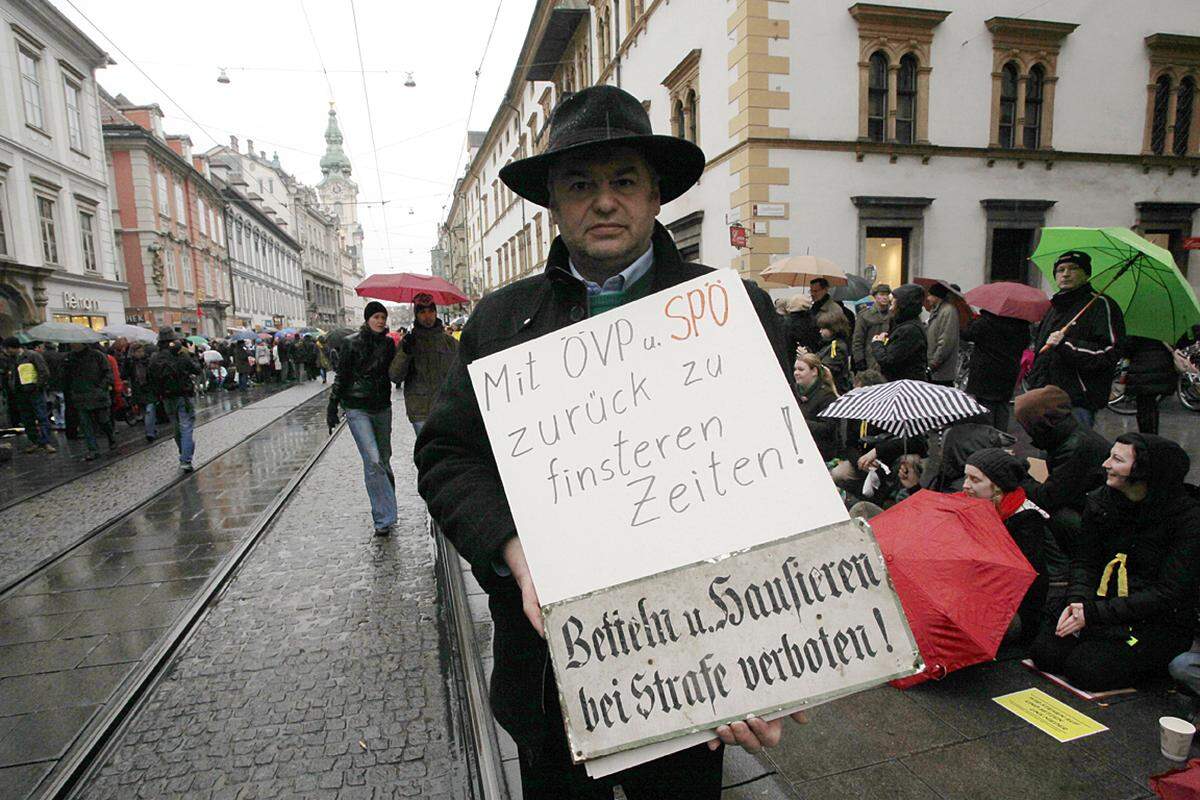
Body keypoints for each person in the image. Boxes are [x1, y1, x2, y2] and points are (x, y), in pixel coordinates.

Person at [413, 85, 803, 799]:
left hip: (700, 665)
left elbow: (778, 476)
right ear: (553, 207)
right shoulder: (501, 324)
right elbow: (447, 458)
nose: (603, 201)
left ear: (656, 198)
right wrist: (514, 551)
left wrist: (773, 656)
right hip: (549, 676)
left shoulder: (730, 310)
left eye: (624, 181)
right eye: (580, 185)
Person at [1030, 433, 1200, 691]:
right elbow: (1084, 560)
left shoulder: (1186, 518)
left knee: (1086, 670)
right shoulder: (1102, 501)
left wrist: (1093, 614)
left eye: (1117, 459)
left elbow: (1167, 593)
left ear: (1144, 471)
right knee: (1045, 653)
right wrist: (1078, 602)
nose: (1106, 464)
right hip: (1100, 604)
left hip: (1151, 619)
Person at [1013, 385, 1111, 581]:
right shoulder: (1065, 437)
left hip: (1097, 521)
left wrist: (1019, 477)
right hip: (1092, 508)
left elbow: (1049, 497)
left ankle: (1061, 569)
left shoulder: (1074, 447)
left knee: (1046, 514)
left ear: (1040, 424)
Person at [1027, 251, 1125, 428]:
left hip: (1077, 400)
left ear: (1086, 274)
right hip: (1045, 395)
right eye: (1060, 269)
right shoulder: (1054, 307)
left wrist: (1066, 345)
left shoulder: (1100, 305)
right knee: (1046, 454)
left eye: (1073, 268)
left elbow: (1109, 353)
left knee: (1073, 452)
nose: (1065, 274)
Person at [963, 448, 1049, 641]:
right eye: (966, 477)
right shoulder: (980, 506)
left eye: (975, 480)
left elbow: (1025, 582)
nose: (965, 485)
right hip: (989, 596)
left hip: (1019, 610)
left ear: (998, 486)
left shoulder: (1026, 518)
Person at [328, 301, 398, 537]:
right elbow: (342, 375)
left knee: (384, 459)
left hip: (381, 407)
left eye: (383, 317)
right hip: (357, 407)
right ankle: (383, 519)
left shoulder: (389, 344)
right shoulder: (351, 343)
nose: (381, 321)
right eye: (377, 317)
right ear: (368, 319)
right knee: (373, 460)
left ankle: (388, 501)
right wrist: (332, 404)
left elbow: (396, 372)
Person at [388, 293, 459, 435]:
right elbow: (395, 376)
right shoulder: (408, 343)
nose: (428, 316)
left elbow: (462, 372)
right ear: (416, 315)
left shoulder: (450, 343)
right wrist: (406, 353)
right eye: (422, 312)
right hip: (420, 410)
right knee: (427, 453)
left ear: (436, 312)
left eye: (431, 311)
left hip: (446, 408)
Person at [961, 310, 1029, 433]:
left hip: (985, 371)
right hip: (1008, 370)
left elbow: (966, 335)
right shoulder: (1021, 324)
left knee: (985, 406)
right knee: (1003, 404)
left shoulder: (985, 321)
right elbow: (1025, 343)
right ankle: (1001, 438)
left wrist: (972, 319)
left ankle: (987, 440)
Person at [146, 327, 203, 471]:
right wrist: (193, 354)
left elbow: (149, 378)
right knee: (186, 427)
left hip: (166, 397)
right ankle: (186, 459)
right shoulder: (181, 355)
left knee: (176, 427)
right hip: (183, 396)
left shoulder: (154, 357)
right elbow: (197, 369)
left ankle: (183, 452)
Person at [1, 337, 55, 453]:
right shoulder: (11, 359)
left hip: (34, 391)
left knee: (41, 416)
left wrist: (37, 386)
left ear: (11, 348)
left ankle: (46, 442)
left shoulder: (32, 356)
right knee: (27, 418)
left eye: (6, 349)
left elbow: (43, 372)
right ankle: (35, 441)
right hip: (20, 393)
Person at [65, 342, 114, 461]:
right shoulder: (70, 358)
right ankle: (93, 449)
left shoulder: (97, 355)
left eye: (75, 344)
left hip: (97, 395)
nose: (73, 346)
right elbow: (66, 377)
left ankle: (111, 437)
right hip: (80, 396)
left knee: (103, 421)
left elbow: (108, 373)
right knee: (85, 424)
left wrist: (101, 387)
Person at [869, 283, 928, 382]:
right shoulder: (904, 324)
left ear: (902, 306)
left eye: (893, 304)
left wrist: (877, 343)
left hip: (904, 386)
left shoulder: (909, 330)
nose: (891, 308)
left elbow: (888, 360)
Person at [1123, 335, 1175, 435]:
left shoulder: (1136, 329)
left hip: (1141, 370)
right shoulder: (1164, 328)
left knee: (1143, 407)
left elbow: (1126, 348)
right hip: (1162, 367)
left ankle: (1147, 436)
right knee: (1151, 406)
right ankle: (1153, 435)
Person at [793, 352, 839, 462]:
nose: (796, 373)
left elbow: (828, 428)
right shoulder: (792, 392)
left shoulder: (827, 396)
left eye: (801, 369)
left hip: (820, 452)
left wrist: (801, 423)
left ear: (814, 371)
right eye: (795, 369)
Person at [924, 282, 961, 387]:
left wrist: (933, 364)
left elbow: (945, 342)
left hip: (941, 372)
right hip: (934, 370)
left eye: (930, 295)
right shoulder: (936, 311)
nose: (928, 298)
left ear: (937, 297)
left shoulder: (948, 311)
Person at [851, 284, 891, 373]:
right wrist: (859, 360)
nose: (885, 297)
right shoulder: (865, 315)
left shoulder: (894, 314)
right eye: (881, 294)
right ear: (875, 296)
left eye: (887, 295)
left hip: (889, 357)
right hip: (870, 359)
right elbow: (858, 340)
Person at [813, 308, 851, 393]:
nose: (820, 331)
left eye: (823, 328)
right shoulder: (829, 344)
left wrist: (809, 360)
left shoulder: (837, 346)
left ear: (833, 329)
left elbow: (828, 368)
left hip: (836, 389)